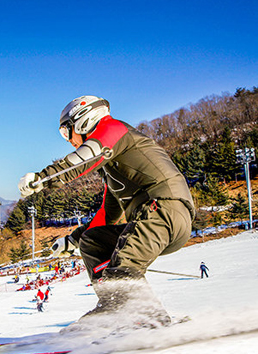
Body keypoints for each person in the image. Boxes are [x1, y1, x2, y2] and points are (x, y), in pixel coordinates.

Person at [18, 95, 195, 328]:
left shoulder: (113, 129)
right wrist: (73, 240)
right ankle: (119, 308)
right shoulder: (114, 165)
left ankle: (146, 321)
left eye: (66, 132)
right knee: (93, 240)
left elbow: (83, 158)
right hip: (156, 219)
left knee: (124, 267)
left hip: (163, 209)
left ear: (83, 121)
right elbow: (107, 214)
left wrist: (43, 178)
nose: (69, 140)